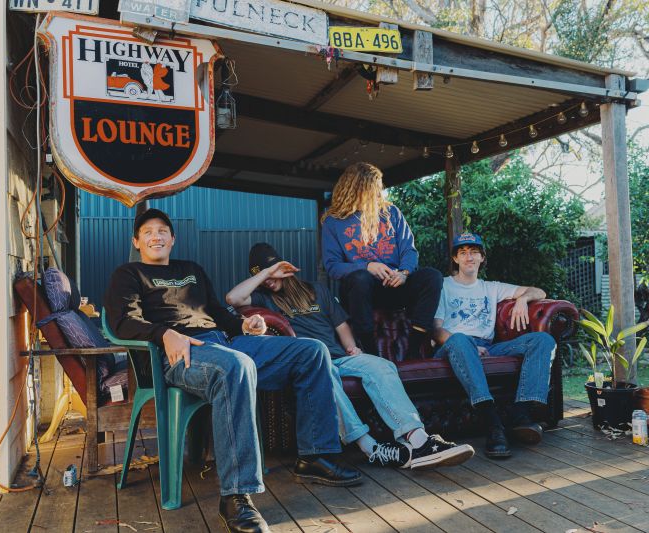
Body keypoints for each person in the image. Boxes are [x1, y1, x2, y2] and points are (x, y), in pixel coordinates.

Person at [105, 209, 360, 533]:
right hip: (181, 352)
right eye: (148, 232)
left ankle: (315, 455)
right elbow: (122, 322)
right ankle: (236, 497)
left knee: (312, 351)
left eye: (162, 231)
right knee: (235, 368)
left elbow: (218, 312)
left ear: (173, 238)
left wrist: (244, 324)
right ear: (137, 240)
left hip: (225, 341)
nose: (156, 236)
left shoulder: (192, 271)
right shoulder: (128, 275)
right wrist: (165, 334)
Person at [226, 242, 474, 470]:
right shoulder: (262, 297)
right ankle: (371, 448)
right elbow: (232, 298)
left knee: (381, 366)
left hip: (340, 357)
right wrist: (266, 274)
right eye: (264, 274)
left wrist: (352, 347)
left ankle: (419, 441)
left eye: (274, 271)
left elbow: (341, 325)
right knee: (326, 375)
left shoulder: (316, 290)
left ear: (286, 269)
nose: (270, 280)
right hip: (311, 364)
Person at [432, 233, 556, 459]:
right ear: (456, 259)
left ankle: (521, 414)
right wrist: (467, 344)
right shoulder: (443, 285)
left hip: (488, 347)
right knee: (460, 339)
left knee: (542, 340)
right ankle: (492, 423)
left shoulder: (492, 288)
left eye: (474, 252)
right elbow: (437, 330)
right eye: (463, 253)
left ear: (482, 258)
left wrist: (522, 300)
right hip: (453, 348)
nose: (469, 257)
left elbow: (539, 291)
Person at [320, 162, 442, 358]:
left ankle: (413, 350)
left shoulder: (391, 213)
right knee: (361, 278)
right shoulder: (333, 221)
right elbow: (332, 267)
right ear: (357, 188)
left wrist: (403, 273)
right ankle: (369, 352)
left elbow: (409, 251)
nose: (379, 192)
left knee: (432, 277)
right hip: (359, 292)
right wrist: (367, 266)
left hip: (394, 285)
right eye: (374, 187)